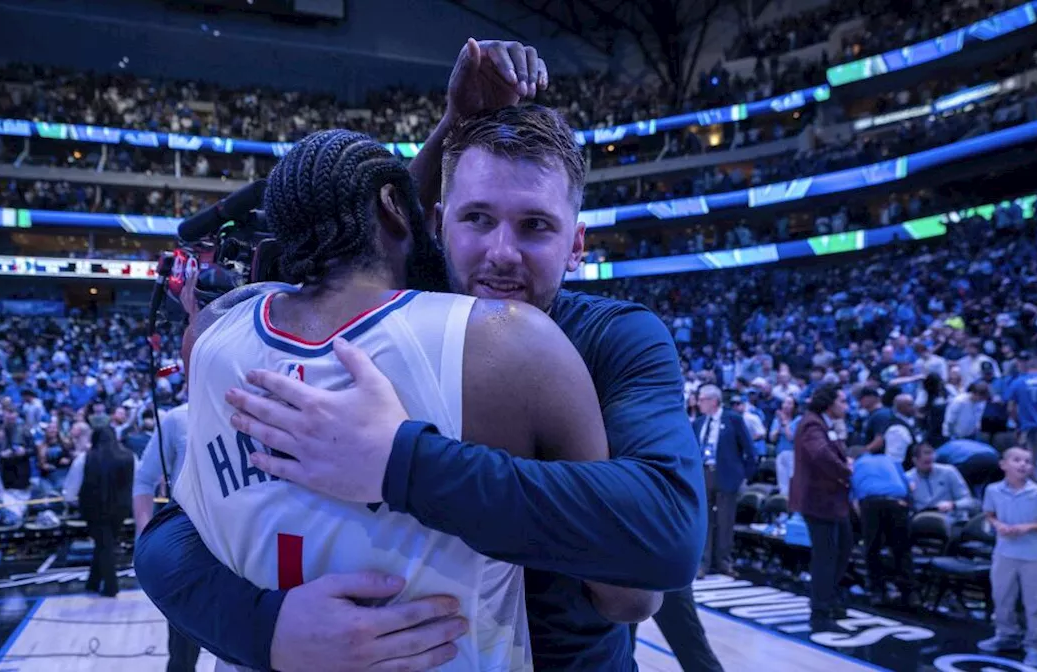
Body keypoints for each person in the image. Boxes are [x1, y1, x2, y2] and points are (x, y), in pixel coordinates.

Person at [136, 53, 704, 672]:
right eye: (477, 218)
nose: (501, 253)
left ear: (576, 245)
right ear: (437, 222)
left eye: (536, 226)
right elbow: (169, 536)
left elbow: (660, 544)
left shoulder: (616, 336)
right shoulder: (364, 332)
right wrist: (266, 628)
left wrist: (402, 462)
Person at [133, 400, 198, 672]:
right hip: (190, 547)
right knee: (183, 649)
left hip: (244, 545)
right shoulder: (177, 419)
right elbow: (144, 479)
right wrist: (145, 536)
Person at [977, 447, 1037, 668]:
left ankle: (1035, 645)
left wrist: (1028, 527)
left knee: (1035, 603)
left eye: (1028, 461)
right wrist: (998, 525)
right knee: (1002, 598)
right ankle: (1006, 635)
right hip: (1004, 554)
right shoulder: (993, 490)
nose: (1023, 465)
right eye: (1017, 460)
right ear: (1003, 465)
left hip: (1033, 556)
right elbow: (989, 514)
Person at [790, 383, 853, 621]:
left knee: (842, 549)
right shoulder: (812, 424)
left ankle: (827, 595)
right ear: (829, 403)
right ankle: (821, 604)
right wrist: (845, 470)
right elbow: (820, 456)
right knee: (826, 555)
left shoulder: (827, 424)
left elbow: (833, 452)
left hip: (832, 500)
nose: (846, 406)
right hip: (818, 500)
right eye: (842, 401)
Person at [694, 384, 759, 578]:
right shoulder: (698, 423)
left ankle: (724, 562)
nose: (698, 403)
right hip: (703, 474)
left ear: (713, 401)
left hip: (726, 476)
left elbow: (750, 451)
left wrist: (743, 476)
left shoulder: (734, 419)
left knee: (725, 520)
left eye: (701, 400)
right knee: (704, 521)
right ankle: (702, 563)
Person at [64, 426, 135, 597]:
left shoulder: (85, 458)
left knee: (104, 545)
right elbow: (138, 482)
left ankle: (111, 586)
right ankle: (93, 583)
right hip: (121, 508)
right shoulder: (130, 456)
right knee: (105, 543)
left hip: (94, 508)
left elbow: (70, 489)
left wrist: (70, 499)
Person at [848, 443, 914, 606]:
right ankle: (909, 594)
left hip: (871, 503)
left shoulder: (855, 466)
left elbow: (853, 499)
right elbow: (907, 486)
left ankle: (878, 591)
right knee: (902, 550)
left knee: (872, 549)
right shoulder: (889, 460)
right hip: (897, 501)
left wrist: (863, 522)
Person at [1003, 356, 1037, 456]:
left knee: (1029, 460)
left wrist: (1017, 422)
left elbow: (1010, 408)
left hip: (1027, 428)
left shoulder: (1017, 382)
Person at [906, 442, 977, 516]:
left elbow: (968, 501)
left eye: (930, 461)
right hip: (923, 519)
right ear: (915, 460)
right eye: (925, 462)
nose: (929, 465)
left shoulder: (949, 471)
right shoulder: (908, 477)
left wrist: (953, 505)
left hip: (952, 518)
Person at [768, 396, 800, 495]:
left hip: (793, 454)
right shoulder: (777, 420)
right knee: (783, 485)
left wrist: (785, 423)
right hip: (780, 454)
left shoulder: (798, 420)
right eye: (785, 403)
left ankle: (794, 509)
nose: (786, 406)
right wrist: (779, 425)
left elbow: (791, 437)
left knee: (793, 484)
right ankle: (783, 508)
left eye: (790, 403)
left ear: (794, 406)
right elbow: (772, 438)